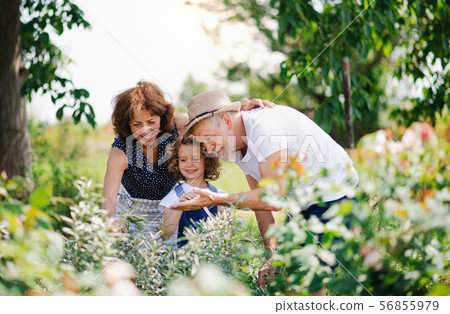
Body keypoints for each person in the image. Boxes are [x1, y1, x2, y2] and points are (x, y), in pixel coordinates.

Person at [170, 90, 359, 291]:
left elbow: (273, 198)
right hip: (304, 200)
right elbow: (259, 202)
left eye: (208, 138)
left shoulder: (263, 128)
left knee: (306, 281)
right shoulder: (234, 144)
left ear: (226, 120)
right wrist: (271, 254)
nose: (208, 148)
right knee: (286, 280)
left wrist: (217, 198)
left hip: (335, 192)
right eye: (202, 143)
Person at [102, 81, 273, 235]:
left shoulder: (178, 125)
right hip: (133, 213)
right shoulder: (121, 151)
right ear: (127, 125)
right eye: (136, 124)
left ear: (162, 117)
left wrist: (242, 114)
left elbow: (211, 120)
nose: (145, 130)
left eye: (151, 122)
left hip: (169, 209)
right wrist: (111, 222)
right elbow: (109, 196)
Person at [159, 136, 227, 247]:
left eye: (196, 159)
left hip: (211, 260)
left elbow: (227, 233)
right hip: (182, 261)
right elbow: (165, 234)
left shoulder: (219, 195)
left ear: (207, 160)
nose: (189, 164)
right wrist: (179, 208)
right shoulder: (174, 196)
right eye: (183, 160)